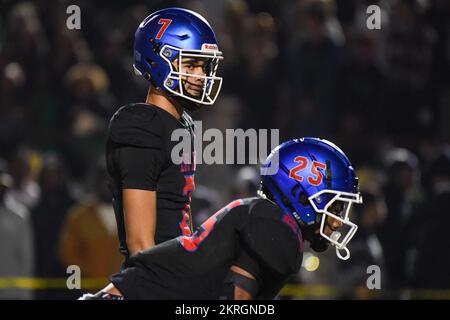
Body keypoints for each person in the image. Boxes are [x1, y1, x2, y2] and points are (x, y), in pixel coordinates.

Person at [80, 137, 363, 300]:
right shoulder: (278, 229)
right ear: (301, 195)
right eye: (336, 207)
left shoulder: (265, 217)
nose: (339, 220)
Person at [105, 7, 223, 268]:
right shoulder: (140, 126)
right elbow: (140, 246)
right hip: (153, 283)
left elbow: (178, 215)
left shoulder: (182, 124)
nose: (201, 76)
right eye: (191, 64)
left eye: (204, 66)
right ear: (158, 61)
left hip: (175, 274)